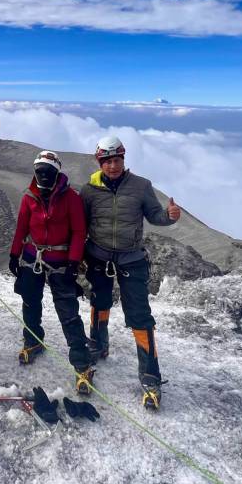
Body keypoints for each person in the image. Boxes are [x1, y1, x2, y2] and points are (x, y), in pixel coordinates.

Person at [79, 136, 181, 409]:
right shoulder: (88, 190)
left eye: (117, 160)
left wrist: (169, 216)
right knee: (99, 302)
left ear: (123, 160)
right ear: (99, 162)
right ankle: (99, 344)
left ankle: (150, 375)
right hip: (98, 256)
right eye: (107, 161)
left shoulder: (141, 186)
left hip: (131, 259)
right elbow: (81, 225)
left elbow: (154, 215)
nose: (113, 166)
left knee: (139, 315)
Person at [9, 151, 100, 392]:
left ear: (57, 172)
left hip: (60, 260)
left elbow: (80, 232)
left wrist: (73, 262)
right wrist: (13, 254)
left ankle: (82, 364)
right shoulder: (29, 196)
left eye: (47, 171)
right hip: (32, 256)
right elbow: (21, 228)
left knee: (68, 311)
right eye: (39, 171)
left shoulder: (71, 198)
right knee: (30, 302)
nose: (43, 175)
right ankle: (33, 341)